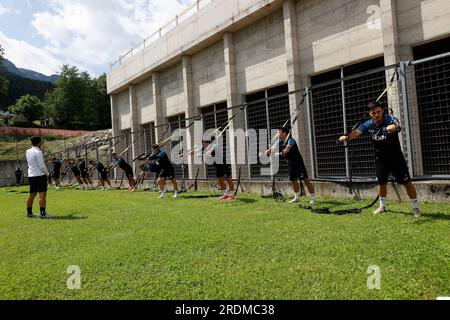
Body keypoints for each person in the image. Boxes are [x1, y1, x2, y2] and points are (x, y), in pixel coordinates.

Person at [339, 101, 421, 217]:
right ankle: (382, 206)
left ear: (382, 111)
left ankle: (415, 207)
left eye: (378, 112)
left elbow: (397, 126)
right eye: (373, 113)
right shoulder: (368, 124)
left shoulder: (390, 119)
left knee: (407, 182)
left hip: (396, 158)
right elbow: (356, 133)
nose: (376, 115)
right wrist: (346, 137)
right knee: (382, 183)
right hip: (380, 159)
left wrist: (392, 127)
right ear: (370, 114)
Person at [265, 127, 315, 204]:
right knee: (293, 180)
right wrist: (267, 151)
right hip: (290, 163)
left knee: (306, 180)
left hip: (298, 163)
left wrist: (278, 153)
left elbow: (286, 151)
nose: (278, 134)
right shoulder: (279, 141)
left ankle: (312, 198)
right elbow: (272, 148)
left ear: (284, 133)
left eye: (279, 132)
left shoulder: (291, 140)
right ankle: (297, 197)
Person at [25, 136, 50, 219]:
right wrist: (47, 173)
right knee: (42, 194)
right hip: (40, 175)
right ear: (39, 142)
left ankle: (29, 212)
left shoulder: (28, 151)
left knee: (32, 194)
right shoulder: (38, 152)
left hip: (31, 175)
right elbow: (41, 165)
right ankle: (43, 213)